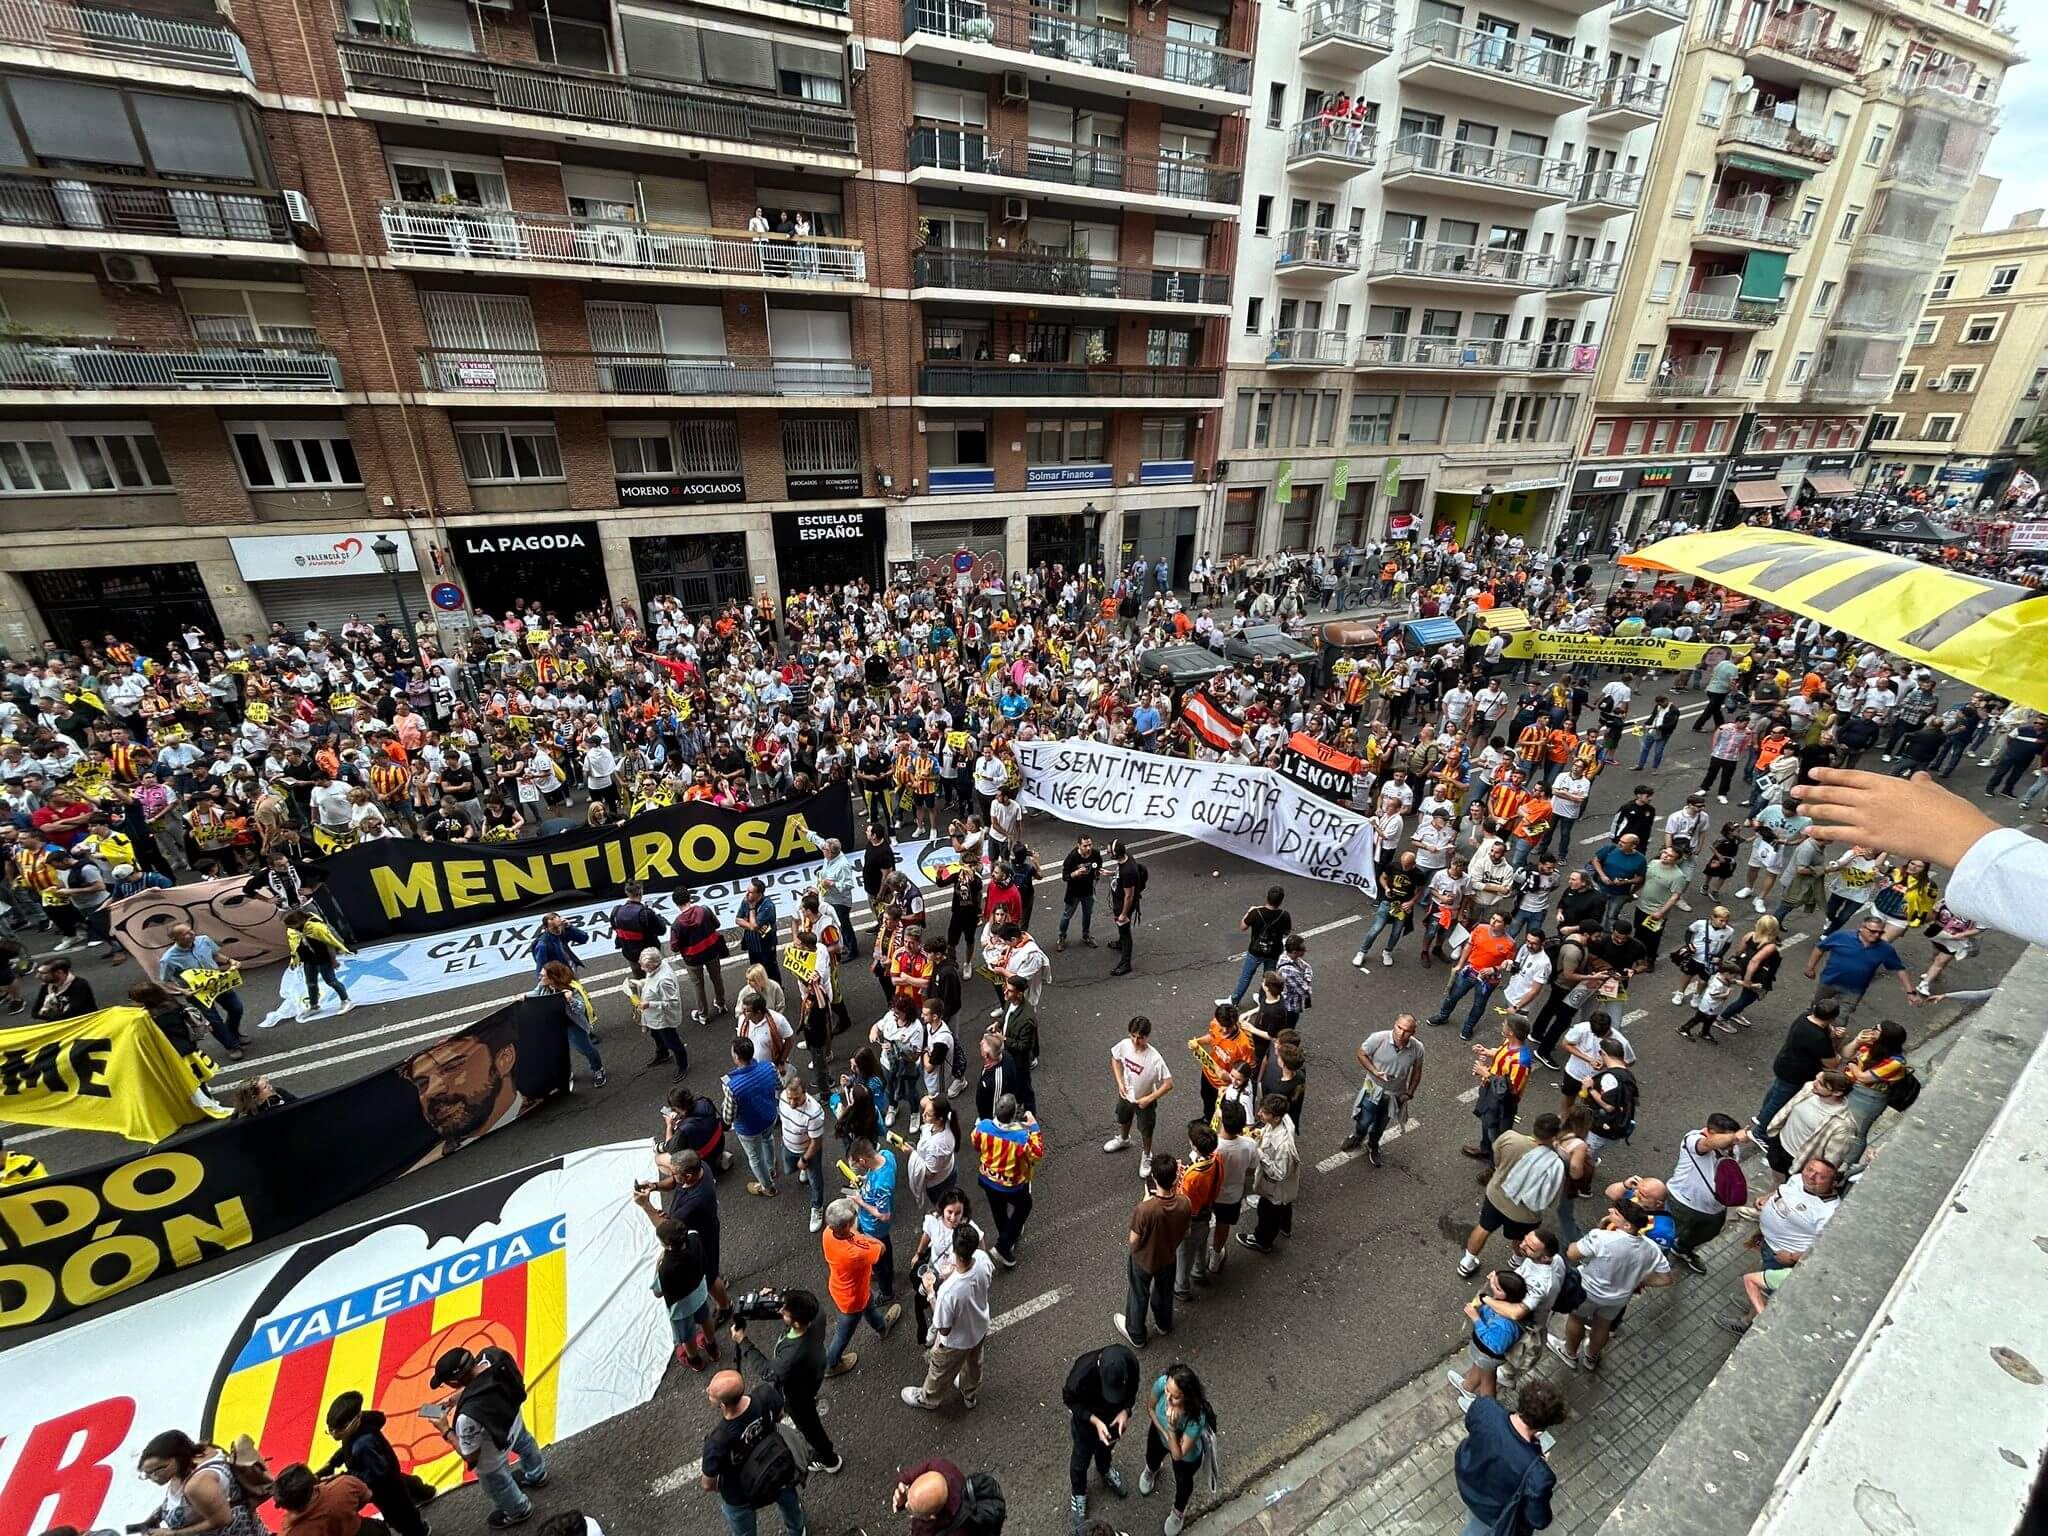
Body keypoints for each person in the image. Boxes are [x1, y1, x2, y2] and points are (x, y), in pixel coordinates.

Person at [427, 1344, 547, 1528]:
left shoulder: (467, 1418)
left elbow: (470, 1454)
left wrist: (445, 1430)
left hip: (493, 1453)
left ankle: (519, 1510)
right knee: (526, 1444)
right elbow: (485, 1379)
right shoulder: (494, 1355)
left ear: (453, 1382)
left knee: (497, 1483)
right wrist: (458, 1397)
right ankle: (537, 1474)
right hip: (513, 1420)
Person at [1549, 1198, 1674, 1373]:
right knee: (1603, 1326)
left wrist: (1593, 1232)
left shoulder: (1602, 1237)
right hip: (1618, 1299)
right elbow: (1666, 1279)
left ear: (1627, 1225)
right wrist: (1638, 1280)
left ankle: (1569, 1353)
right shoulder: (1651, 1249)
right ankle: (1592, 1357)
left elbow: (1573, 1254)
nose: (1609, 1211)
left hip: (1587, 1291)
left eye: (1615, 1213)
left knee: (1577, 1319)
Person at [1720, 1157, 1842, 1334]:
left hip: (1783, 1256)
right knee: (1762, 1277)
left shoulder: (1829, 1211)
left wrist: (1792, 1257)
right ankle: (1752, 1304)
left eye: (1821, 1176)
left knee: (1766, 1287)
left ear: (1833, 1183)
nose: (1811, 1177)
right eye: (1809, 1169)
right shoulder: (1798, 1179)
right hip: (1768, 1243)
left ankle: (1747, 1322)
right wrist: (1767, 1198)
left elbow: (1824, 1249)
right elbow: (1783, 1190)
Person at [699, 1370, 806, 1536]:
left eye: (710, 1391)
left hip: (740, 1493)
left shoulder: (717, 1441)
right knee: (790, 1502)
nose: (707, 1389)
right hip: (777, 1468)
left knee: (743, 1529)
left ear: (723, 1404)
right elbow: (779, 1416)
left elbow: (707, 1484)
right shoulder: (765, 1394)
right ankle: (797, 1531)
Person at [1452, 1380, 1567, 1536]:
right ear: (1543, 1426)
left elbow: (1472, 1425)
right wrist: (1538, 1464)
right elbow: (1538, 1520)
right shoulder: (1538, 1474)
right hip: (1494, 1515)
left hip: (1468, 1486)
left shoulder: (1486, 1409)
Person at [1459, 1113, 1565, 1278]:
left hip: (1496, 1196)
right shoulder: (1555, 1163)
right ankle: (1517, 1259)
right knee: (1521, 1239)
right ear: (1555, 1136)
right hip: (1525, 1213)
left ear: (1534, 1125)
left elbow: (1496, 1158)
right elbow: (1552, 1197)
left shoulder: (1511, 1138)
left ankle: (1467, 1262)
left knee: (1484, 1227)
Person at [902, 1220, 993, 1410]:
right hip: (979, 1328)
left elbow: (943, 1327)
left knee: (939, 1370)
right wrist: (953, 1272)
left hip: (956, 1341)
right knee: (974, 1363)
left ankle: (927, 1399)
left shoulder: (948, 1292)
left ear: (954, 1249)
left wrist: (930, 1293)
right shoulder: (983, 1259)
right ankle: (969, 1394)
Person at [316, 1392, 428, 1536]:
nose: (334, 1434)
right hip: (389, 1474)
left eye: (338, 1429)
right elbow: (346, 1448)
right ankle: (424, 1493)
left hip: (384, 1489)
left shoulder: (363, 1446)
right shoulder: (359, 1428)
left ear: (355, 1420)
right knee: (404, 1489)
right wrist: (333, 1463)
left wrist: (344, 1477)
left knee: (399, 1515)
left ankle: (419, 1531)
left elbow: (376, 1475)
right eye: (330, 1430)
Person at [636, 1182, 718, 1370]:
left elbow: (658, 1292)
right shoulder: (694, 1237)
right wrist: (648, 1208)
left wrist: (659, 1262)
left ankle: (694, 1359)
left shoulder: (666, 1268)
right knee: (705, 1319)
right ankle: (712, 1346)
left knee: (687, 1334)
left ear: (666, 1245)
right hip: (700, 1292)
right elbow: (673, 1230)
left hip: (680, 1308)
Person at [1116, 1152, 1191, 1350]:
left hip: (1143, 1260)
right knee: (1164, 1292)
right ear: (1176, 1177)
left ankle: (1137, 1333)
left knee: (1138, 1294)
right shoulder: (1185, 1203)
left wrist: (1145, 1200)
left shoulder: (1145, 1209)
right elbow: (1187, 1231)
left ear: (1154, 1179)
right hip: (1167, 1257)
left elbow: (1133, 1241)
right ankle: (1164, 1324)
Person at [820, 1197, 900, 1376]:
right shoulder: (855, 1253)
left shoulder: (828, 1233)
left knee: (869, 1306)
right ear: (846, 1226)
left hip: (842, 1287)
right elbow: (881, 1248)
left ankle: (881, 1326)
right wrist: (867, 1236)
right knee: (844, 1331)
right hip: (853, 1297)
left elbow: (852, 1234)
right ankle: (831, 1364)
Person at [1663, 1113, 1751, 1275]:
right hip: (1683, 1204)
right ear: (1710, 1131)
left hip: (1714, 1208)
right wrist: (1733, 1137)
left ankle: (1682, 1249)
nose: (1734, 1143)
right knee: (1664, 1235)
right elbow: (1708, 1144)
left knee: (1706, 1234)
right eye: (1729, 1137)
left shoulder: (1732, 1148)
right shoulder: (1693, 1139)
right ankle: (1655, 1263)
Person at [1063, 1344, 1139, 1531]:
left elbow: (1132, 1391)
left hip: (1113, 1422)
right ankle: (1079, 1492)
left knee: (1106, 1450)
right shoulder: (1081, 1375)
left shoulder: (1130, 1362)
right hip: (1087, 1426)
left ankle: (1104, 1469)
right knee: (1080, 1461)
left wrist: (1125, 1411)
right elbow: (1070, 1401)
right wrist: (1095, 1421)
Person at [135, 1431, 268, 1536]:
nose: (153, 1477)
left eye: (157, 1470)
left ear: (178, 1458)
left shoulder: (198, 1485)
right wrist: (159, 1514)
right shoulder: (201, 1454)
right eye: (147, 1474)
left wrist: (173, 1534)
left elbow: (223, 1519)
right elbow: (184, 1501)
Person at [1139, 1363, 1215, 1536]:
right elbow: (1150, 1408)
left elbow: (1178, 1454)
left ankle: (1178, 1512)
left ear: (1187, 1397)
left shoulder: (1195, 1418)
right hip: (1159, 1434)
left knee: (1183, 1483)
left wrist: (1172, 1429)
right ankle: (1152, 1470)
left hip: (1186, 1457)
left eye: (1175, 1397)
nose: (1167, 1398)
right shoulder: (1162, 1384)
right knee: (1152, 1456)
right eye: (1167, 1391)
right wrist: (1163, 1431)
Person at [971, 1093, 1044, 1267]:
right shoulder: (1021, 1137)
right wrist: (1033, 1127)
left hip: (987, 1179)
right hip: (1011, 1185)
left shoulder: (982, 1127)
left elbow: (975, 1144)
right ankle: (1004, 1246)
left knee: (998, 1210)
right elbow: (1037, 1153)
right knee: (1024, 1205)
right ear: (1013, 1115)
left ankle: (1007, 1235)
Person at [1342, 1011, 1425, 1166]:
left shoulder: (1417, 1048)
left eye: (1407, 1031)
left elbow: (1417, 1072)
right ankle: (1357, 1136)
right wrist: (1375, 1072)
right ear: (1395, 1024)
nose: (1401, 1033)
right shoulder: (1378, 1038)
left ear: (1413, 1032)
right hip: (1373, 1089)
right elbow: (1361, 1054)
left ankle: (1373, 1145)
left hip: (1394, 1095)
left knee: (1381, 1125)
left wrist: (1409, 1093)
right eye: (1399, 1027)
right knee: (1364, 1120)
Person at [1803, 915, 1918, 1016]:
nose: (1877, 935)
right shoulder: (1842, 936)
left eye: (1880, 932)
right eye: (1873, 931)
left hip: (1853, 991)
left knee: (1840, 1019)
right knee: (1817, 1008)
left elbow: (1900, 969)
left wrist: (1910, 992)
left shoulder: (1885, 949)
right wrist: (1810, 968)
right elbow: (1820, 948)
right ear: (1862, 928)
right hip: (1829, 982)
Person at [1103, 1013, 1174, 1175]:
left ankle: (1147, 1154)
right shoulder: (1124, 1045)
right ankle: (1124, 1139)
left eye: (1140, 1038)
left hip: (1145, 1100)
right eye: (1133, 1036)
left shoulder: (1154, 1058)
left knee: (1146, 1128)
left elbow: (1169, 1084)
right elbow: (1115, 1059)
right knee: (1123, 1117)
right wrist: (1120, 1082)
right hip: (1126, 1095)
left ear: (1147, 1037)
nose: (1136, 1041)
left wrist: (1149, 1099)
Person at [1239, 1092, 1300, 1253]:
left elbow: (1279, 1173)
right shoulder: (1280, 1122)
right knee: (1284, 1206)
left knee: (1266, 1214)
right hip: (1283, 1191)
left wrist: (1259, 1154)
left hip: (1275, 1189)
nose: (1259, 1113)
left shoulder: (1283, 1147)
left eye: (1264, 1113)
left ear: (1276, 1118)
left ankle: (1263, 1241)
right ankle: (1284, 1227)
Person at [531, 960, 606, 1088]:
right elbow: (534, 994)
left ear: (552, 978)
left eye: (543, 976)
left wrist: (570, 999)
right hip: (554, 1024)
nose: (540, 977)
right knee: (557, 1050)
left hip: (572, 1024)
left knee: (585, 1049)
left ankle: (598, 1069)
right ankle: (565, 1073)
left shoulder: (572, 989)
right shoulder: (543, 985)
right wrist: (524, 997)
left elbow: (580, 1009)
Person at [283, 908, 354, 1021]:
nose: (289, 928)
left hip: (322, 958)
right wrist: (294, 960)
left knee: (331, 981)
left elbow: (329, 943)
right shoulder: (294, 931)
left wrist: (333, 960)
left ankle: (346, 1000)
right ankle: (314, 1006)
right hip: (308, 959)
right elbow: (294, 946)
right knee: (311, 983)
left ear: (300, 921)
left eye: (291, 925)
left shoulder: (316, 927)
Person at [1228, 885, 1291, 1005]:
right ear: (1281, 901)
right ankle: (1263, 999)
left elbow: (1243, 927)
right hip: (1274, 951)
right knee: (1268, 978)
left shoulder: (1256, 913)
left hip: (1255, 951)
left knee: (1246, 976)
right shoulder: (1284, 915)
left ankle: (1234, 1001)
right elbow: (1286, 932)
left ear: (1267, 898)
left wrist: (1249, 912)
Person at [631, 946, 689, 1074]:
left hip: (663, 1017)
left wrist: (649, 1004)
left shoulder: (664, 981)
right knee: (656, 1034)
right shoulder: (660, 965)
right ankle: (662, 1053)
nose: (641, 968)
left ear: (653, 966)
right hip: (655, 1016)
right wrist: (640, 983)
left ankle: (682, 1065)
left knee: (672, 1042)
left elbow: (672, 1003)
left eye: (644, 966)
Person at [1108, 838, 1147, 977]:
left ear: (1115, 854)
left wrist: (1123, 914)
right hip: (1120, 901)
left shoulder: (1127, 872)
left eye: (1109, 851)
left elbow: (1129, 896)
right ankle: (1120, 943)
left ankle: (1126, 963)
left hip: (1123, 905)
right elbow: (1119, 872)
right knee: (1122, 930)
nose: (1108, 853)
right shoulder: (1126, 858)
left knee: (1125, 932)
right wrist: (1110, 873)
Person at [1058, 834, 1102, 951]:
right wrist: (1075, 873)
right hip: (1074, 892)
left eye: (1090, 845)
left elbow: (1098, 866)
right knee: (1067, 915)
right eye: (1085, 845)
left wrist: (1097, 875)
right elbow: (1065, 876)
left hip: (1088, 891)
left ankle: (1086, 935)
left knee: (1087, 914)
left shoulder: (1095, 854)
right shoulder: (1072, 857)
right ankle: (1061, 937)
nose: (1088, 848)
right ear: (1079, 845)